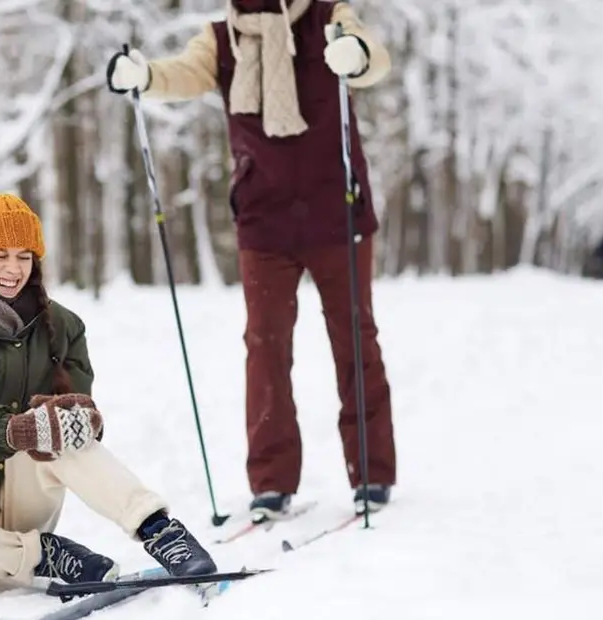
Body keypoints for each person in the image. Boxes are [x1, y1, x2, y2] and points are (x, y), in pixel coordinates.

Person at [105, 0, 397, 519]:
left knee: (355, 337)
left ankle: (372, 472)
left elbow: (375, 58)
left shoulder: (327, 16)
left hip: (336, 212)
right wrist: (145, 75)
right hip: (265, 219)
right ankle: (271, 480)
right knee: (264, 348)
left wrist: (354, 54)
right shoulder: (222, 38)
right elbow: (184, 73)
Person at [0, 193, 218, 590]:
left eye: (24, 256)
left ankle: (160, 531)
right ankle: (46, 555)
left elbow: (73, 418)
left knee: (62, 431)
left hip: (20, 502)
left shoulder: (61, 327)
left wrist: (82, 418)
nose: (13, 269)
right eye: (0, 255)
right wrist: (15, 430)